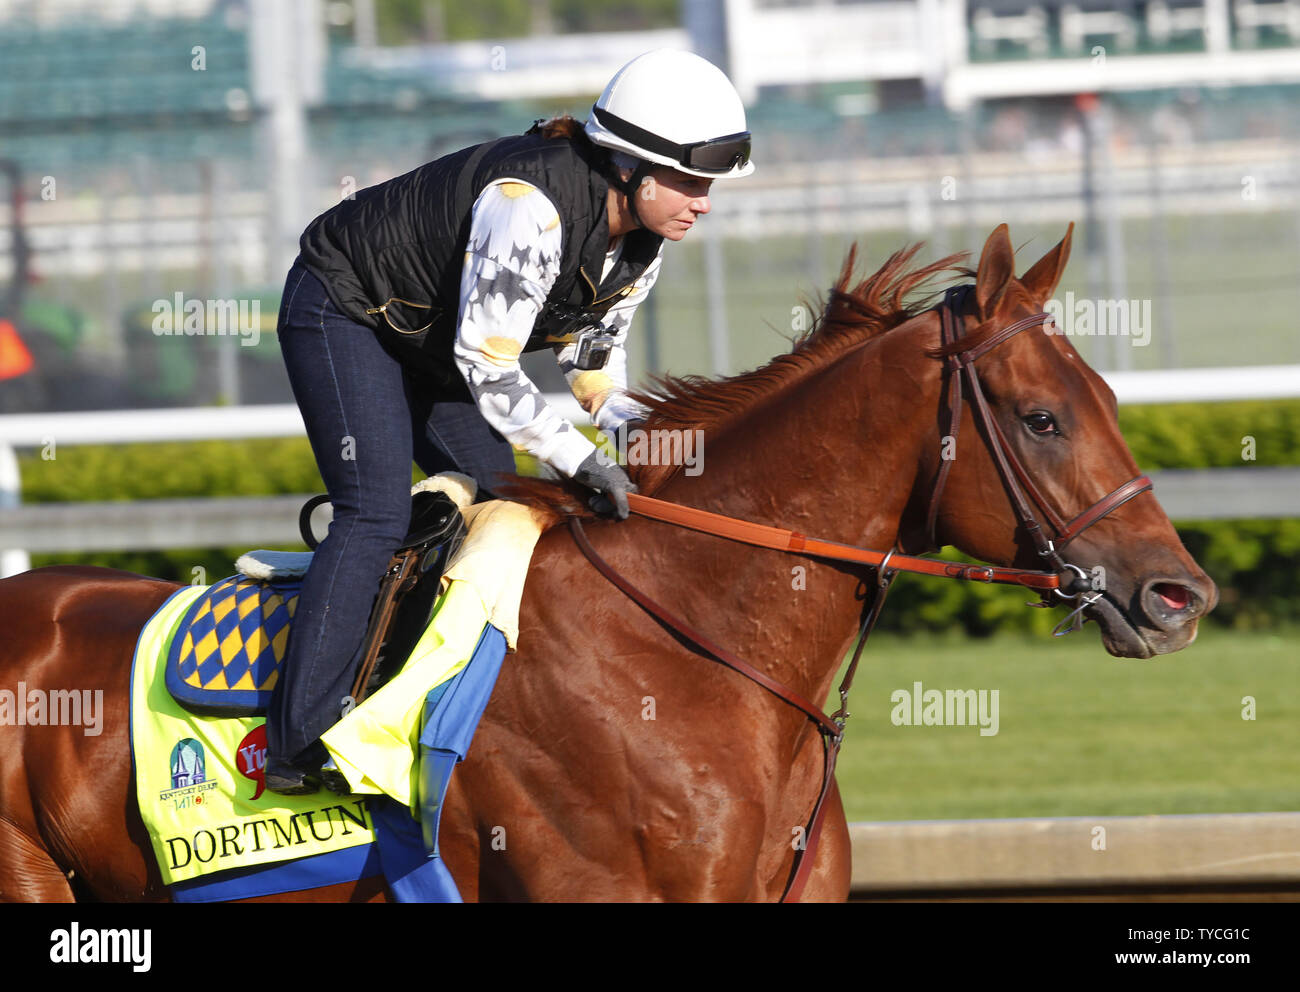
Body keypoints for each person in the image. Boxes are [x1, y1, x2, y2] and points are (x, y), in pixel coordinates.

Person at [264, 49, 756, 794]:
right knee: (374, 511)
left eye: (709, 184)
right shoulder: (529, 208)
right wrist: (580, 462)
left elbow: (591, 367)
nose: (705, 201)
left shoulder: (644, 244)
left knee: (503, 508)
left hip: (435, 341)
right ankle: (299, 745)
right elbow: (491, 370)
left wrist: (642, 434)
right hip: (343, 309)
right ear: (631, 169)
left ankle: (451, 705)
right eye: (691, 180)